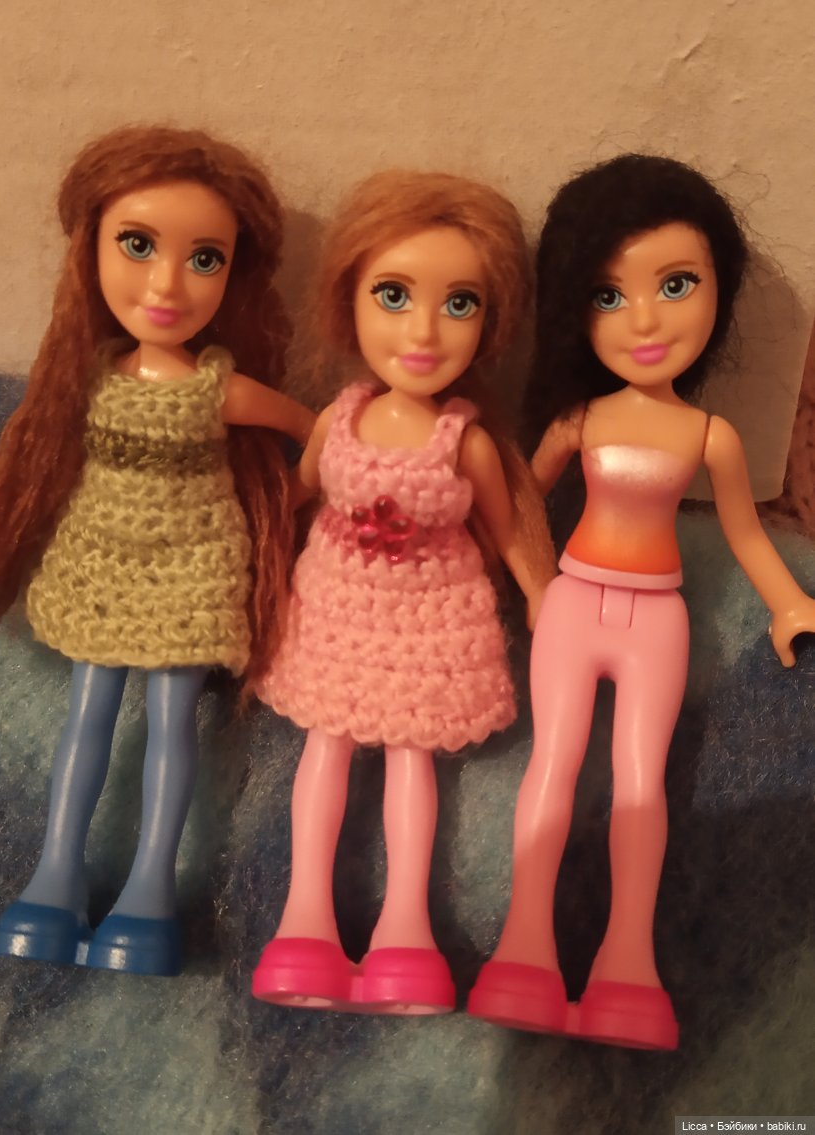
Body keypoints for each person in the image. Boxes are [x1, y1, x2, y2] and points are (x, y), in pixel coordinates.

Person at [468, 153, 815, 1048]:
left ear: (719, 289)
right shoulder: (579, 421)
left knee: (639, 784)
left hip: (657, 615)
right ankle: (524, 948)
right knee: (552, 765)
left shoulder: (711, 434)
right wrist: (523, 580)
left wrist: (789, 601)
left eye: (676, 284)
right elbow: (517, 501)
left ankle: (627, 961)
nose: (647, 319)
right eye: (609, 295)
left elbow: (745, 533)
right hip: (574, 603)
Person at [0, 125, 314, 976]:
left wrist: (309, 496)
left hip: (194, 567)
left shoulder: (217, 388)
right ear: (90, 247)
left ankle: (149, 892)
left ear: (233, 273)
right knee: (86, 720)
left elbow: (316, 430)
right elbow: (25, 472)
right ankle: (54, 876)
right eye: (137, 245)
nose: (166, 284)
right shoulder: (83, 381)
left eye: (205, 258)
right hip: (98, 564)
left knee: (170, 727)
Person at [252, 169, 555, 1014]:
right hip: (335, 612)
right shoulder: (339, 419)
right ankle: (304, 920)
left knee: (411, 766)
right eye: (393, 295)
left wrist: (542, 591)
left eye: (459, 303)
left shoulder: (466, 442)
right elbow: (296, 492)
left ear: (490, 324)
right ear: (347, 299)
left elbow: (507, 530)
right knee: (324, 753)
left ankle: (406, 930)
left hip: (430, 624)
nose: (423, 330)